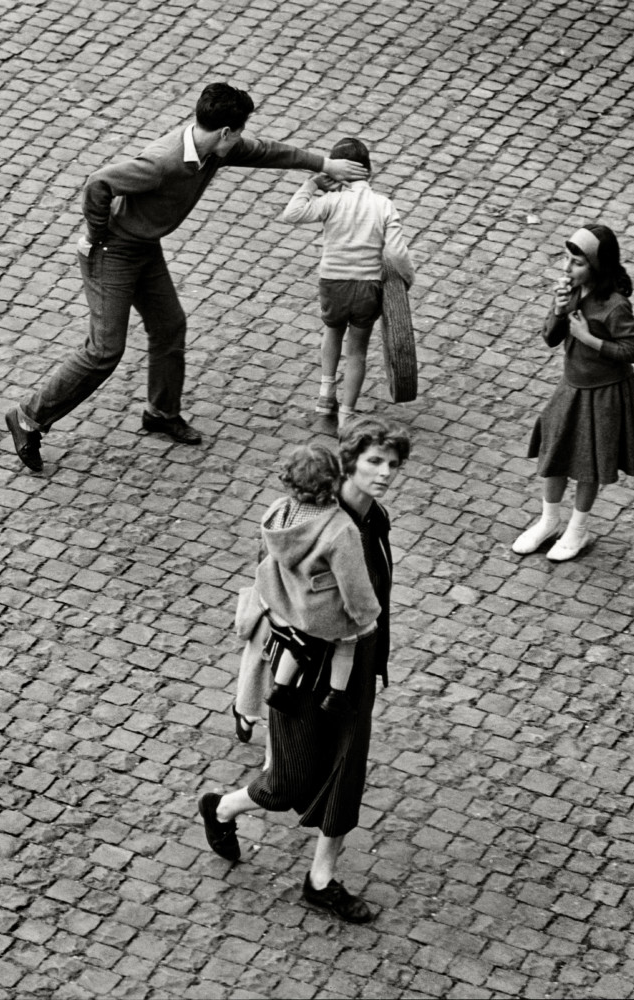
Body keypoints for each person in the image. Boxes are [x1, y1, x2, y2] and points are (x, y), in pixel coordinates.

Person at [5, 84, 369, 472]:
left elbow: (267, 151)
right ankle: (29, 417)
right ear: (226, 132)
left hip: (144, 248)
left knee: (169, 325)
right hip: (112, 253)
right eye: (240, 131)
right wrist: (95, 237)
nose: (243, 138)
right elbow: (99, 184)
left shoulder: (215, 149)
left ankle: (161, 412)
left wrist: (323, 165)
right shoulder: (165, 161)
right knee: (104, 350)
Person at [199, 417, 410, 924]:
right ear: (350, 461)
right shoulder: (317, 520)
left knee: (346, 770)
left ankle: (321, 878)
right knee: (286, 783)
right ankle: (221, 808)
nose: (384, 473)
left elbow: (372, 597)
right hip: (305, 664)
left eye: (393, 465)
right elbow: (269, 580)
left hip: (354, 660)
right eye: (374, 462)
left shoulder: (373, 519)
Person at [513, 224, 634, 561]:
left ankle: (577, 529)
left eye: (577, 263)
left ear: (597, 267)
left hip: (604, 394)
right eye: (567, 259)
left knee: (590, 463)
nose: (567, 268)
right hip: (572, 387)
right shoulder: (571, 291)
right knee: (555, 453)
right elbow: (550, 337)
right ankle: (549, 521)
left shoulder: (615, 306)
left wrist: (589, 339)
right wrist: (558, 310)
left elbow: (631, 351)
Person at [281, 138, 414, 428]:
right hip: (367, 286)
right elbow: (395, 252)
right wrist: (407, 278)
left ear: (338, 172)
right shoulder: (383, 205)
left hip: (332, 283)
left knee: (332, 332)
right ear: (369, 171)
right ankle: (347, 415)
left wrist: (313, 183)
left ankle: (325, 394)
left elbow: (291, 214)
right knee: (357, 351)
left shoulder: (331, 202)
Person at [254, 443, 380, 718]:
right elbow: (353, 583)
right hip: (322, 613)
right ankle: (336, 695)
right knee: (346, 644)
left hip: (287, 602)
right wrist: (366, 616)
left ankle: (280, 688)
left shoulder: (278, 511)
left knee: (296, 645)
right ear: (335, 480)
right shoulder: (340, 529)